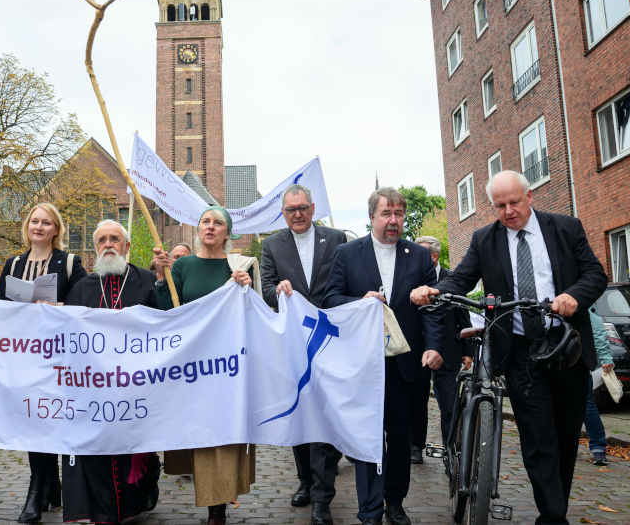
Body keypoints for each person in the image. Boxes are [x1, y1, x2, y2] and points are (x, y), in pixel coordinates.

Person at [411, 171, 608, 525]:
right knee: (538, 438)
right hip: (519, 352)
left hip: (566, 347)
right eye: (500, 205)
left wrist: (573, 297)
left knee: (566, 437)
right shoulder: (485, 239)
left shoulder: (565, 228)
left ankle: (555, 507)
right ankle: (553, 517)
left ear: (529, 196)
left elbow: (595, 274)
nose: (508, 211)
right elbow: (461, 278)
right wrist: (436, 290)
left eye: (514, 202)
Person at [323, 187, 444, 525]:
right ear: (371, 217)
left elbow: (432, 310)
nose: (393, 220)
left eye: (399, 214)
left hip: (406, 365)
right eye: (386, 214)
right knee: (367, 437)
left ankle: (395, 502)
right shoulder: (348, 254)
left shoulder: (419, 257)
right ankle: (370, 509)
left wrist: (434, 347)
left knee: (401, 438)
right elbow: (330, 299)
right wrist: (358, 302)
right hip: (363, 365)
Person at [152, 206, 259, 525]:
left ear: (228, 232)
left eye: (218, 223)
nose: (210, 227)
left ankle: (217, 507)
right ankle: (211, 493)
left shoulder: (239, 266)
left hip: (228, 367)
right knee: (200, 435)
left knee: (223, 435)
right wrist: (161, 279)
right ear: (198, 228)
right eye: (205, 222)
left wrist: (246, 289)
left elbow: (254, 314)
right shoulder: (183, 265)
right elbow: (169, 313)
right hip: (193, 367)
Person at [62, 220, 161, 523]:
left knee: (134, 451)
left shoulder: (146, 281)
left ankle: (138, 498)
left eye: (114, 239)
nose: (108, 244)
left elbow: (166, 327)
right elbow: (66, 333)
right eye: (102, 240)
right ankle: (103, 511)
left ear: (126, 246)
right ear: (95, 248)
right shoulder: (82, 288)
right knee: (99, 453)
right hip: (95, 389)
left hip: (136, 386)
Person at [258, 184, 346, 525]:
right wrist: (278, 292)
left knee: (324, 416)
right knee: (299, 413)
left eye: (303, 208)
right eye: (291, 209)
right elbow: (266, 289)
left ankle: (323, 497)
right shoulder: (272, 245)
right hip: (293, 344)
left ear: (313, 208)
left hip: (329, 340)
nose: (297, 214)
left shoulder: (336, 239)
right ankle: (306, 480)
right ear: (283, 213)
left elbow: (344, 283)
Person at [0, 202, 87, 523]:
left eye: (46, 222)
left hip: (57, 354)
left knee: (49, 417)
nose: (39, 226)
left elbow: (84, 302)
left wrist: (61, 306)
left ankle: (37, 491)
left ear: (56, 229)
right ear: (27, 226)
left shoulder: (69, 263)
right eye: (34, 221)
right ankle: (49, 484)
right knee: (34, 419)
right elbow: (1, 308)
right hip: (24, 353)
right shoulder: (14, 263)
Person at [410, 236, 471, 465]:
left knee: (449, 404)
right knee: (417, 401)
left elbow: (463, 314)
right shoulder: (413, 281)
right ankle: (416, 445)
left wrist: (467, 351)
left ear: (434, 257)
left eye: (420, 254)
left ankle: (451, 450)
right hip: (418, 351)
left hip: (448, 352)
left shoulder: (451, 280)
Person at [584, 307, 613, 466]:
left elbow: (597, 329)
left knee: (586, 405)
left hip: (577, 361)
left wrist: (605, 357)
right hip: (554, 360)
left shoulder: (576, 301)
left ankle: (598, 448)